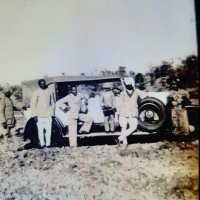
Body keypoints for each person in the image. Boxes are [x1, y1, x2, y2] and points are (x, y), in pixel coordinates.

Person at [115, 77, 148, 146]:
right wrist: (118, 113)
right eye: (128, 84)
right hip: (123, 112)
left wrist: (140, 99)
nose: (129, 85)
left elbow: (145, 94)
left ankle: (120, 138)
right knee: (123, 127)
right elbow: (119, 104)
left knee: (134, 126)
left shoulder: (136, 91)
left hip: (133, 112)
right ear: (126, 85)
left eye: (130, 84)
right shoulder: (122, 93)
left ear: (133, 84)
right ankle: (124, 143)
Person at [30, 79, 55, 148]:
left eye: (44, 83)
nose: (43, 85)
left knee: (48, 131)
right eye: (41, 84)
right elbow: (33, 104)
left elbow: (53, 102)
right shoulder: (36, 92)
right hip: (40, 115)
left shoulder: (49, 91)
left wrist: (52, 113)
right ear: (39, 84)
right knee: (40, 131)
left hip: (48, 114)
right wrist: (34, 115)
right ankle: (42, 144)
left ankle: (48, 144)